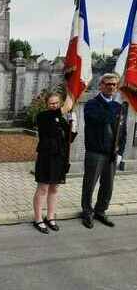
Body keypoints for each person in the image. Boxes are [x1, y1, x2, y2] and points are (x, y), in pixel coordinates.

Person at [81, 73, 127, 229]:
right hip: (95, 152)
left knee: (108, 185)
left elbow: (122, 131)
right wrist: (113, 104)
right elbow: (103, 119)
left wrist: (120, 152)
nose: (112, 87)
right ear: (101, 85)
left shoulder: (118, 106)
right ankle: (87, 212)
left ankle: (100, 210)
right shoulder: (92, 104)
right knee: (90, 184)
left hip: (112, 153)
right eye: (108, 84)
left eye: (114, 84)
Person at [33, 93, 76, 234]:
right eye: (52, 103)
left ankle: (50, 217)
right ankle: (38, 219)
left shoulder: (60, 118)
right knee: (43, 188)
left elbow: (69, 138)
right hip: (46, 157)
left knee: (54, 188)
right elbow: (49, 129)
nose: (55, 105)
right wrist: (65, 106)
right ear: (46, 104)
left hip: (59, 158)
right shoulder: (43, 116)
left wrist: (73, 125)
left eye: (57, 103)